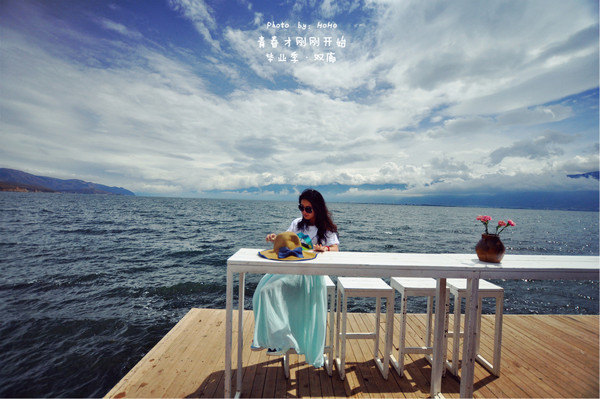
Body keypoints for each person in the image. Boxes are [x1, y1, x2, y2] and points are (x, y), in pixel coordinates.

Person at [252, 188, 339, 368]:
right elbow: (286, 240)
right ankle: (278, 338)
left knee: (269, 290)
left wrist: (325, 249)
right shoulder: (297, 223)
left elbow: (336, 249)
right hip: (291, 269)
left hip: (310, 274)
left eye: (308, 209)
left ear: (318, 208)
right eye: (302, 207)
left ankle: (281, 340)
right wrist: (275, 238)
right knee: (262, 291)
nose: (304, 212)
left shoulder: (326, 228)